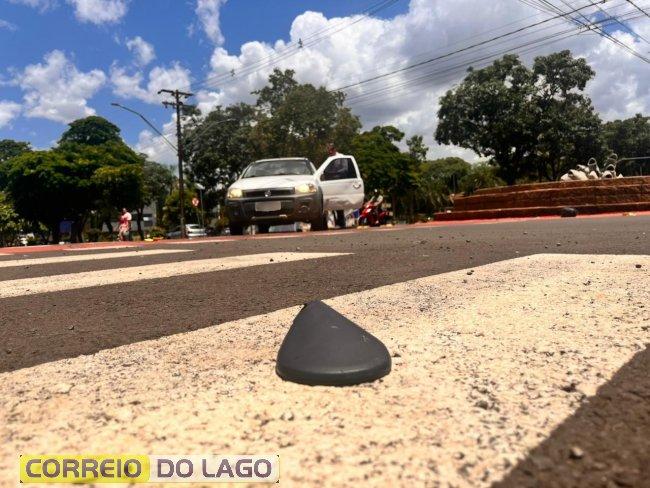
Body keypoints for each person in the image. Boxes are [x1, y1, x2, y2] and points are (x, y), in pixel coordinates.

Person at [325, 142, 347, 229]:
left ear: (335, 149)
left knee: (339, 203)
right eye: (328, 150)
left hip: (340, 182)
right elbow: (326, 170)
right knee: (333, 204)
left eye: (331, 150)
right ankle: (337, 223)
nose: (330, 152)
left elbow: (345, 169)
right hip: (331, 183)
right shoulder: (329, 159)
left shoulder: (341, 157)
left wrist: (335, 173)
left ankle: (342, 223)